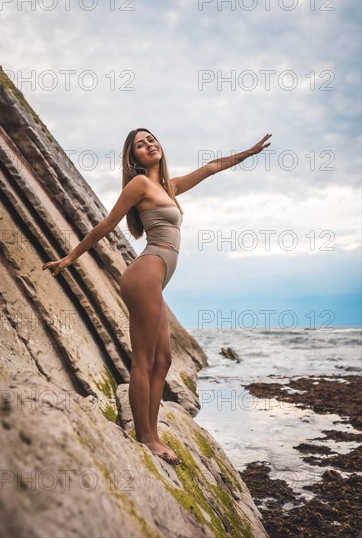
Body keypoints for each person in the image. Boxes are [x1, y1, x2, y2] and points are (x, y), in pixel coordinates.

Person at [42, 128, 272, 465]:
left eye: (152, 140)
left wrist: (248, 154)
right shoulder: (139, 185)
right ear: (132, 157)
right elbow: (107, 224)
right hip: (145, 273)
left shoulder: (169, 187)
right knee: (144, 360)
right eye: (140, 144)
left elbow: (210, 167)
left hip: (157, 276)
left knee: (163, 361)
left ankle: (153, 433)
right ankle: (146, 439)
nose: (149, 145)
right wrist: (70, 257)